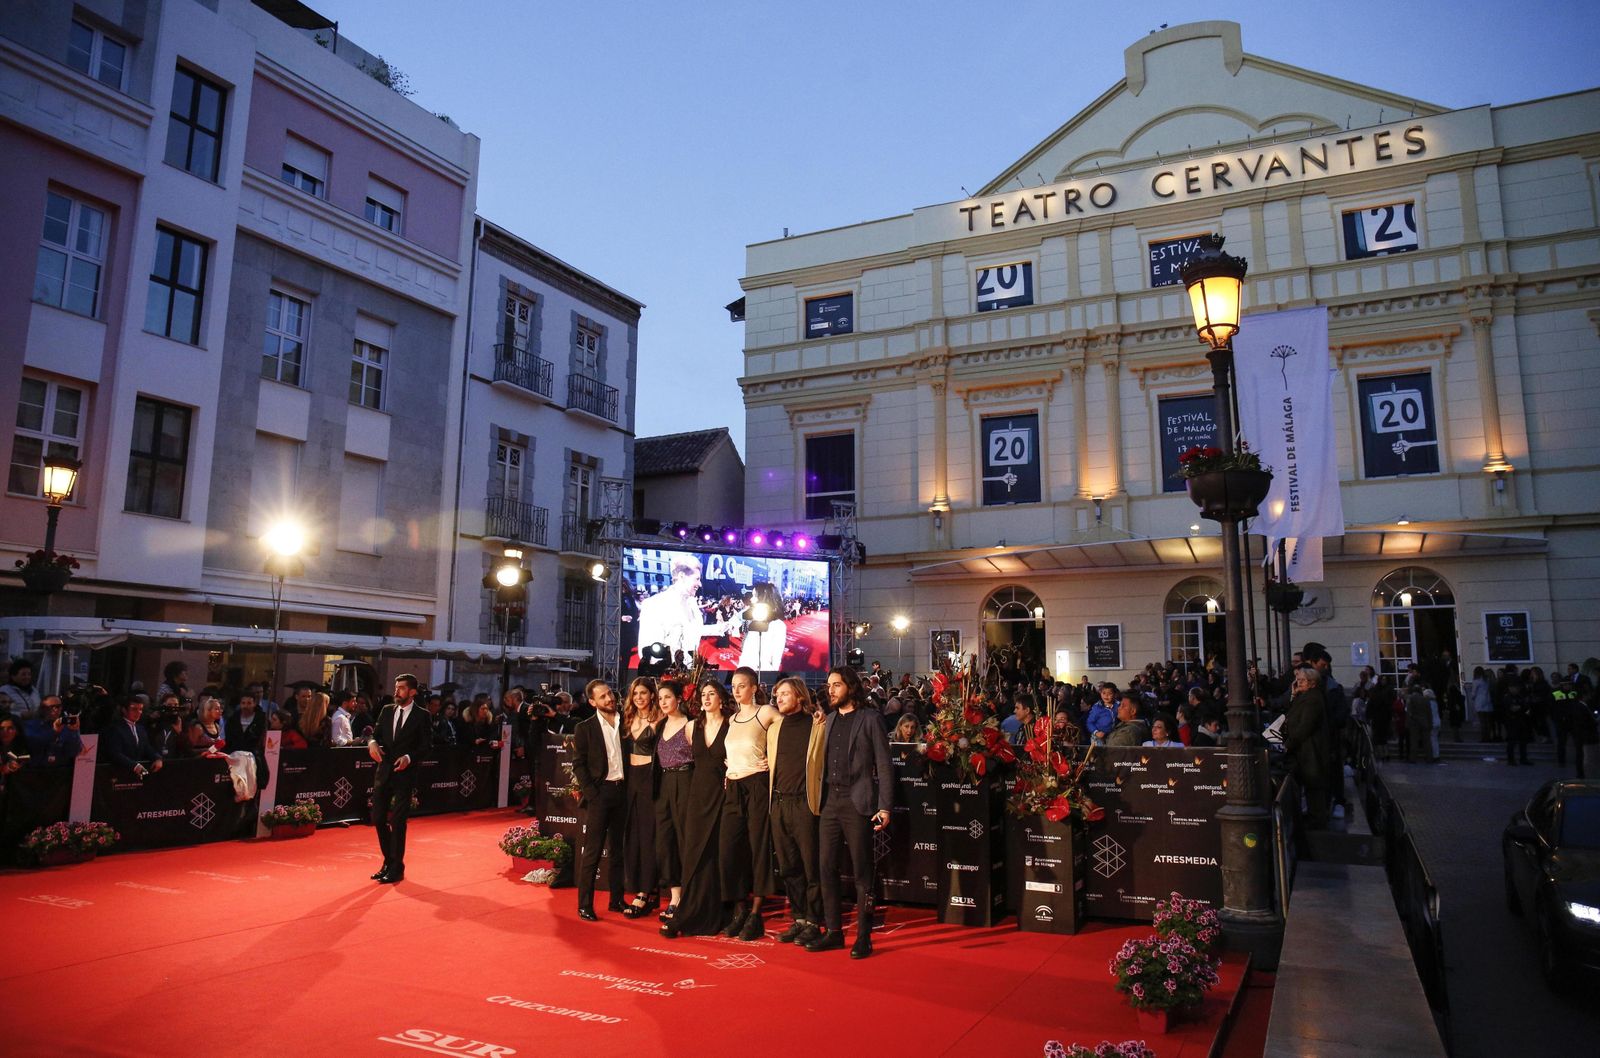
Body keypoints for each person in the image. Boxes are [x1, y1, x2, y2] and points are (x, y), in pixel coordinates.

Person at [806, 666, 892, 960]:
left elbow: (884, 764)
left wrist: (885, 806)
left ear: (851, 688)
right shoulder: (828, 720)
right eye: (829, 685)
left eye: (836, 685)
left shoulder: (870, 719)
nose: (830, 690)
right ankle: (833, 932)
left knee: (862, 873)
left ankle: (864, 936)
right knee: (826, 867)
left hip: (859, 803)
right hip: (830, 800)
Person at [662, 680, 731, 938]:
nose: (706, 698)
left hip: (724, 795)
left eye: (712, 694)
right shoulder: (692, 727)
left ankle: (717, 911)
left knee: (717, 855)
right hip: (697, 796)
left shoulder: (732, 724)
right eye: (703, 694)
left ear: (721, 699)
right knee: (693, 854)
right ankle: (688, 911)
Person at [720, 667, 779, 940]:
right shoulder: (731, 719)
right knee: (731, 850)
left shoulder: (765, 712)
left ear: (754, 687)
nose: (736, 690)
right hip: (733, 787)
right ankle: (739, 908)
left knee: (758, 848)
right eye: (733, 686)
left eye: (742, 685)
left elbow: (788, 728)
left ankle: (756, 913)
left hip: (757, 784)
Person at [767, 676, 825, 945]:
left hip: (805, 803)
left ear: (800, 697)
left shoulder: (816, 725)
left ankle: (814, 921)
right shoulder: (775, 728)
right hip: (777, 803)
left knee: (810, 866)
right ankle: (799, 919)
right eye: (777, 694)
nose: (779, 698)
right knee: (789, 867)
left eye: (785, 694)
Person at [572, 679, 628, 920]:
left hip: (623, 791)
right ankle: (585, 904)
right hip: (600, 794)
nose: (610, 699)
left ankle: (616, 899)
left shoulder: (626, 721)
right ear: (593, 702)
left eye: (610, 694)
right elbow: (578, 764)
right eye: (603, 697)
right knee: (593, 851)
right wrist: (592, 794)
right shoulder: (585, 728)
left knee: (618, 849)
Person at [367, 676, 431, 883]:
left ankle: (397, 867)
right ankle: (388, 861)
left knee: (398, 820)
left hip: (405, 774)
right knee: (378, 817)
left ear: (412, 692)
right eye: (396, 688)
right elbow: (374, 734)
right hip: (384, 772)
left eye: (402, 688)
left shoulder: (422, 716)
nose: (397, 692)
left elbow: (426, 746)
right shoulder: (386, 710)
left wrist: (409, 758)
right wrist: (372, 744)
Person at [653, 679, 694, 924]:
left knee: (685, 839)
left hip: (686, 781)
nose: (663, 702)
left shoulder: (690, 725)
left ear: (679, 698)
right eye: (660, 699)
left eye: (667, 697)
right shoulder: (660, 726)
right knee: (665, 842)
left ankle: (690, 895)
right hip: (664, 786)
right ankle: (674, 896)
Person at [620, 677, 662, 918]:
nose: (639, 698)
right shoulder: (627, 718)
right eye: (635, 693)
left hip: (649, 779)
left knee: (648, 837)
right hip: (630, 780)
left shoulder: (659, 720)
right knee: (632, 836)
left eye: (643, 693)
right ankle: (636, 886)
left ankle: (647, 891)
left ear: (652, 695)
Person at [636, 556, 709, 665]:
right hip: (666, 677)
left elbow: (695, 630)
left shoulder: (692, 604)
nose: (700, 584)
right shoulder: (654, 604)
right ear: (682, 576)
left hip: (692, 674)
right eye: (697, 579)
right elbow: (648, 653)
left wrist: (722, 628)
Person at [1282, 666, 1331, 828]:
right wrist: (1294, 694)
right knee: (1310, 785)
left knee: (1314, 786)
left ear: (1312, 683)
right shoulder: (1305, 697)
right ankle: (1313, 817)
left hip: (1311, 750)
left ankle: (1317, 819)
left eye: (1302, 680)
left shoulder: (1313, 699)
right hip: (1305, 749)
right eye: (1298, 679)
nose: (1298, 683)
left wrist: (1289, 743)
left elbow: (1305, 726)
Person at [102, 697, 164, 778]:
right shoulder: (115, 729)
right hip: (120, 774)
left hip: (137, 775)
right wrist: (134, 766)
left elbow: (146, 747)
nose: (138, 712)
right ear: (124, 710)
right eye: (134, 709)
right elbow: (115, 753)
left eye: (140, 709)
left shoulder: (140, 728)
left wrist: (157, 758)